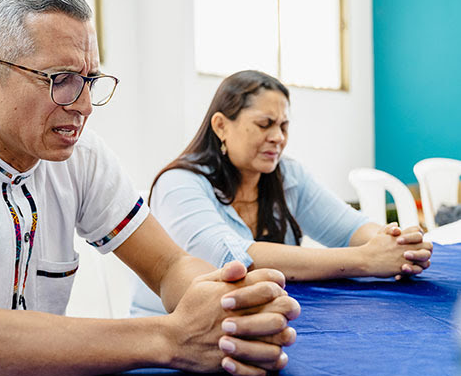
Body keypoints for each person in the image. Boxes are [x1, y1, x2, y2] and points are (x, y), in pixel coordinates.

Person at [0, 0, 301, 376]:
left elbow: (168, 266)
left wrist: (226, 306)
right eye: (61, 79)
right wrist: (168, 338)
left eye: (90, 79)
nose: (82, 104)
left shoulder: (81, 157)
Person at [131, 70, 433, 317]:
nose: (278, 137)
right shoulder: (179, 184)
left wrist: (397, 244)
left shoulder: (286, 174)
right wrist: (366, 259)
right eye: (265, 124)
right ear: (221, 126)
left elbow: (350, 228)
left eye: (284, 126)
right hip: (174, 339)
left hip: (257, 322)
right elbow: (234, 258)